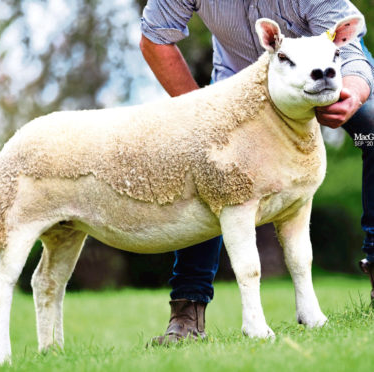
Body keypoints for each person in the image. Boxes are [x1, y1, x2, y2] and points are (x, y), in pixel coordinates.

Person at [139, 0, 374, 344]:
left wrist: (351, 94)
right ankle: (188, 309)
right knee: (209, 163)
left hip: (319, 78)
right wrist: (199, 116)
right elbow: (155, 38)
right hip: (237, 86)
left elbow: (349, 47)